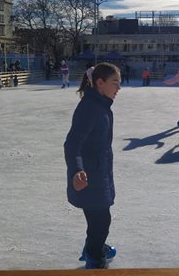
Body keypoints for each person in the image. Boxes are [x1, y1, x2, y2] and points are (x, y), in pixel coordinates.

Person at [64, 63, 121, 269]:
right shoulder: (90, 108)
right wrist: (77, 170)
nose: (119, 88)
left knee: (98, 221)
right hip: (89, 179)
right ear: (100, 83)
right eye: (114, 82)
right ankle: (95, 259)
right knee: (101, 221)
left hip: (98, 175)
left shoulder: (100, 105)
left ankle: (94, 248)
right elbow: (72, 143)